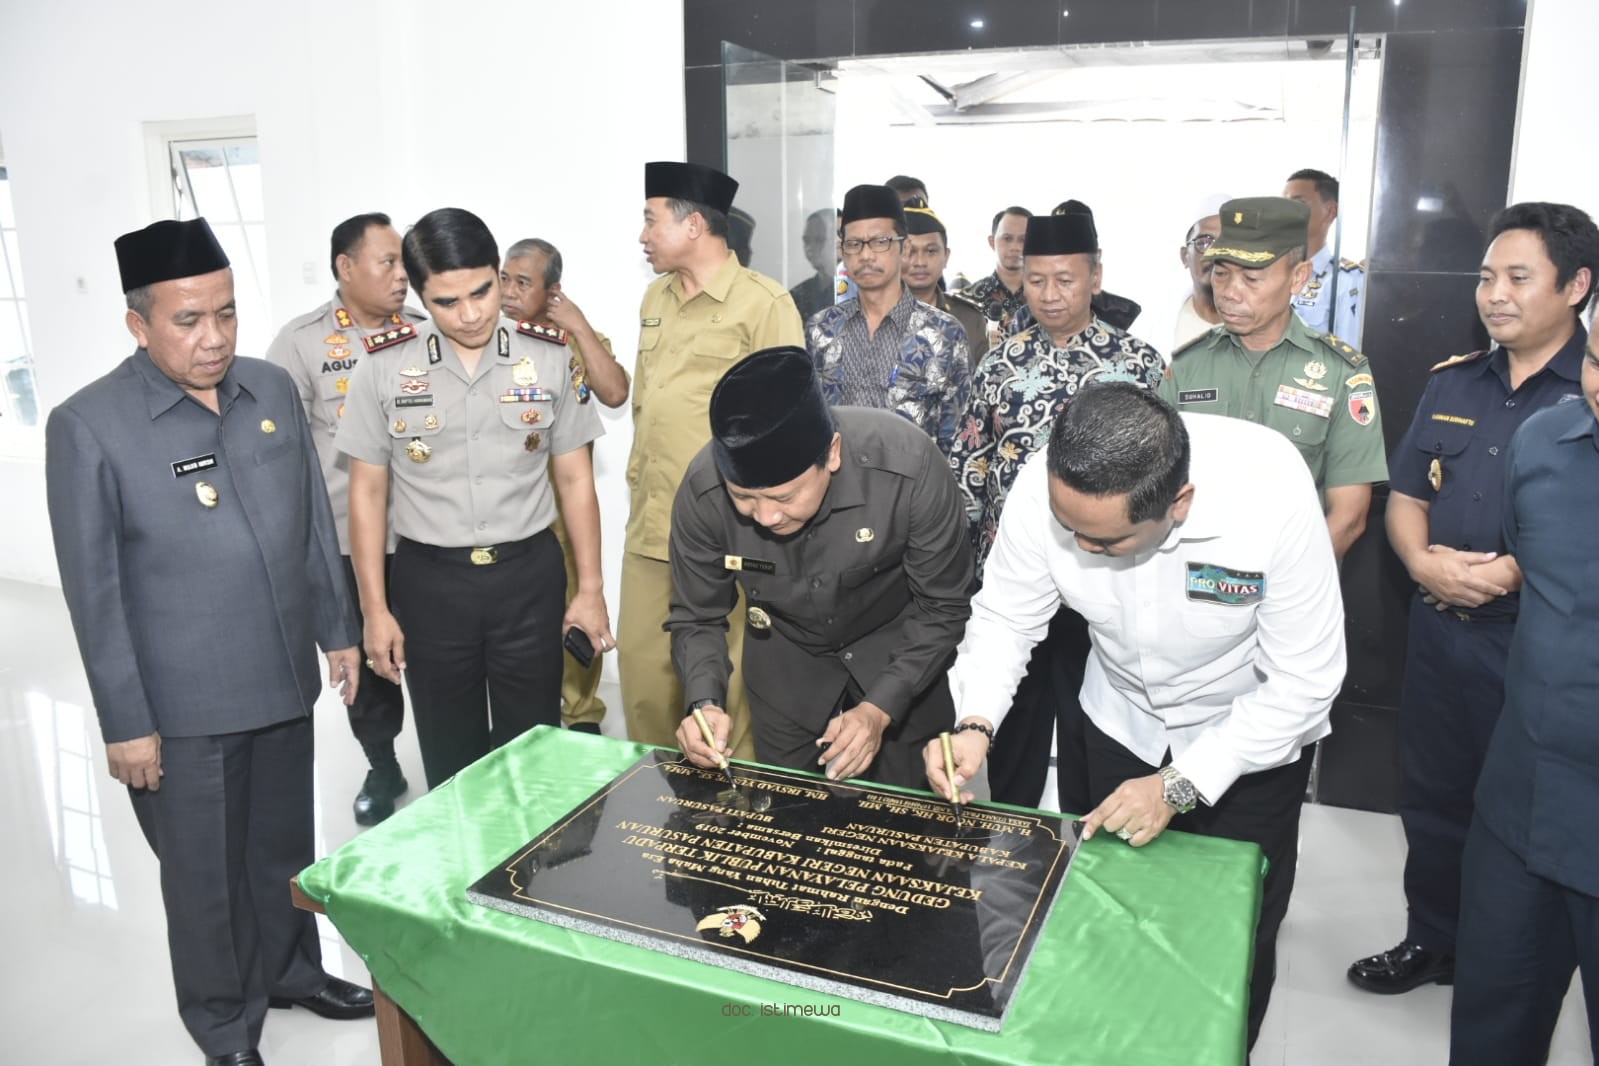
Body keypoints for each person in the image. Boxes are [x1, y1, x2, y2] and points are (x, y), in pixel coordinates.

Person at [46, 218, 374, 1066]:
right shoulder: (89, 426)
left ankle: (294, 971)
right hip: (181, 708)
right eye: (188, 320)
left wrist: (336, 629)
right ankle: (223, 1024)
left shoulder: (267, 390)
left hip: (277, 680)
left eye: (225, 313)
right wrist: (126, 722)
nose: (214, 337)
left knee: (282, 848)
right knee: (202, 883)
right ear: (138, 324)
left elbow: (309, 524)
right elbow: (95, 594)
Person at [929, 382, 1344, 1049]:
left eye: (1103, 542)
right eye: (1070, 533)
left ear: (1177, 504)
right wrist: (974, 723)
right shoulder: (1053, 483)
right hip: (1118, 720)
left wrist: (1182, 785)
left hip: (1243, 739)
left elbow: (1305, 681)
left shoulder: (1270, 492)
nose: (1080, 548)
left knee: (1226, 944)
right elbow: (1007, 616)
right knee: (1105, 919)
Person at [1350, 202, 1598, 996]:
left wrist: (1510, 573)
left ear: (1576, 286)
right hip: (1440, 631)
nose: (1494, 293)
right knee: (1431, 796)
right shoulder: (1453, 381)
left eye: (1517, 278)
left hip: (1536, 648)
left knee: (1520, 817)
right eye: (1487, 276)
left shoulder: (1586, 398)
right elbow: (1405, 493)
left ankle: (1507, 968)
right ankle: (1433, 941)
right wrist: (1422, 564)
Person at [337, 208, 611, 789]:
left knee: (533, 751)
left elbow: (575, 481)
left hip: (528, 577)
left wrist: (590, 590)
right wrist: (374, 610)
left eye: (483, 291)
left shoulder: (550, 353)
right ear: (419, 294)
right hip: (430, 584)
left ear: (498, 272)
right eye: (446, 302)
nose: (469, 314)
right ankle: (458, 874)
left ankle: (524, 869)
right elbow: (366, 493)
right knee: (448, 752)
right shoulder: (385, 365)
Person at [669, 346, 972, 787]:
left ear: (831, 453)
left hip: (903, 666)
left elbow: (943, 607)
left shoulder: (909, 466)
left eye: (784, 498)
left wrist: (879, 707)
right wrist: (703, 702)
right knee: (789, 831)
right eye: (744, 499)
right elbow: (697, 615)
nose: (766, 517)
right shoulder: (703, 491)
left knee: (915, 836)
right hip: (787, 676)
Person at [947, 212, 1165, 811]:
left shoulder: (1138, 364)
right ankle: (1018, 853)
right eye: (1035, 279)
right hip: (1018, 576)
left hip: (1106, 577)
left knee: (1093, 731)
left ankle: (1084, 849)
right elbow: (970, 464)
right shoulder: (999, 364)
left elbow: (1166, 471)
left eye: (1064, 279)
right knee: (1010, 724)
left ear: (1095, 276)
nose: (1049, 294)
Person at [1447, 305, 1599, 1066]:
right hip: (1520, 803)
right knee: (1490, 1029)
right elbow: (1527, 557)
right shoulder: (1544, 441)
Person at [622, 162, 804, 759]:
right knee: (646, 678)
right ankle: (652, 808)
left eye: (651, 220)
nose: (643, 234)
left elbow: (786, 426)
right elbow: (647, 402)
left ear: (693, 224)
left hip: (729, 527)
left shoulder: (764, 304)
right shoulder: (656, 297)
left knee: (729, 689)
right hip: (652, 526)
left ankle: (732, 823)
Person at [265, 212, 422, 826]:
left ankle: (458, 763)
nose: (402, 277)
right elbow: (281, 453)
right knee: (368, 664)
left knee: (435, 657)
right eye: (388, 263)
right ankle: (382, 764)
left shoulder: (423, 332)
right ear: (345, 268)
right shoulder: (301, 343)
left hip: (421, 535)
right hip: (346, 539)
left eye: (405, 264)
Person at [1159, 196, 1388, 560]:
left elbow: (1348, 517)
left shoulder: (1341, 374)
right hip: (1193, 583)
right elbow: (1157, 488)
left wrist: (1284, 587)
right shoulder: (1187, 367)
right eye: (1220, 273)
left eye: (1251, 278)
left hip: (1294, 591)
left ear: (1298, 278)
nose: (1230, 292)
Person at [500, 237, 630, 735]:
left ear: (552, 290)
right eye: (505, 279)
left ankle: (581, 716)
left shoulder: (572, 340)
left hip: (567, 509)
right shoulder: (488, 340)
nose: (509, 291)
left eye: (523, 282)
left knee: (579, 611)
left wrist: (575, 324)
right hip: (514, 510)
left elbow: (616, 392)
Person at [805, 184, 970, 458]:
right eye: (854, 244)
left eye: (880, 242)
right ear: (843, 252)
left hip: (916, 493)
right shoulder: (821, 329)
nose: (866, 255)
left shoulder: (944, 333)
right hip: (837, 490)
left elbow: (960, 441)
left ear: (903, 248)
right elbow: (810, 424)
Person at [1005, 200, 1142, 336]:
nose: (1050, 296)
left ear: (1096, 257)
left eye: (1065, 280)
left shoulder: (1122, 312)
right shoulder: (1025, 318)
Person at [902, 202, 989, 368]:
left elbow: (981, 386)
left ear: (946, 257)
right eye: (910, 252)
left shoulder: (969, 318)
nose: (920, 262)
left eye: (931, 251)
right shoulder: (873, 317)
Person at [1284, 168, 1365, 341]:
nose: (1287, 212)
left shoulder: (1345, 279)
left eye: (1298, 204)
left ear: (1330, 211)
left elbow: (1348, 356)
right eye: (1284, 204)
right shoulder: (1270, 272)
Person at [958, 206, 1032, 338]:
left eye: (1023, 240)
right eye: (1007, 239)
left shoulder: (1046, 298)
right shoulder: (969, 301)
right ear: (992, 242)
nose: (1015, 247)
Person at [1174, 211, 1224, 350]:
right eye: (1205, 243)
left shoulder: (1272, 323)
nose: (1216, 252)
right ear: (1185, 257)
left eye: (1227, 243)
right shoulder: (1149, 326)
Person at [788, 209, 837, 322]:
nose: (810, 248)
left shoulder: (858, 291)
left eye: (819, 240)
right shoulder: (798, 295)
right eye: (806, 240)